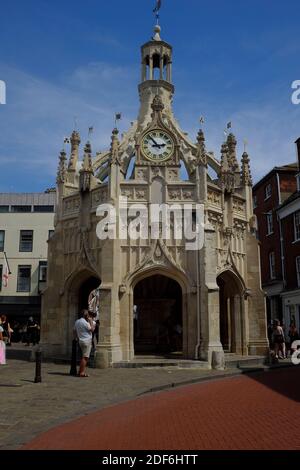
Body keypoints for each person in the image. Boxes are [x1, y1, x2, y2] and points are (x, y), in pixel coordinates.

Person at [74, 310, 96, 377]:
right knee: (85, 357)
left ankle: (80, 371)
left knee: (83, 357)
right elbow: (92, 329)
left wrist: (77, 337)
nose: (88, 315)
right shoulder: (85, 323)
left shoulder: (77, 321)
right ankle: (81, 372)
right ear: (85, 315)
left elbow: (74, 331)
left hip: (80, 340)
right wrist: (91, 322)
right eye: (87, 314)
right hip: (86, 341)